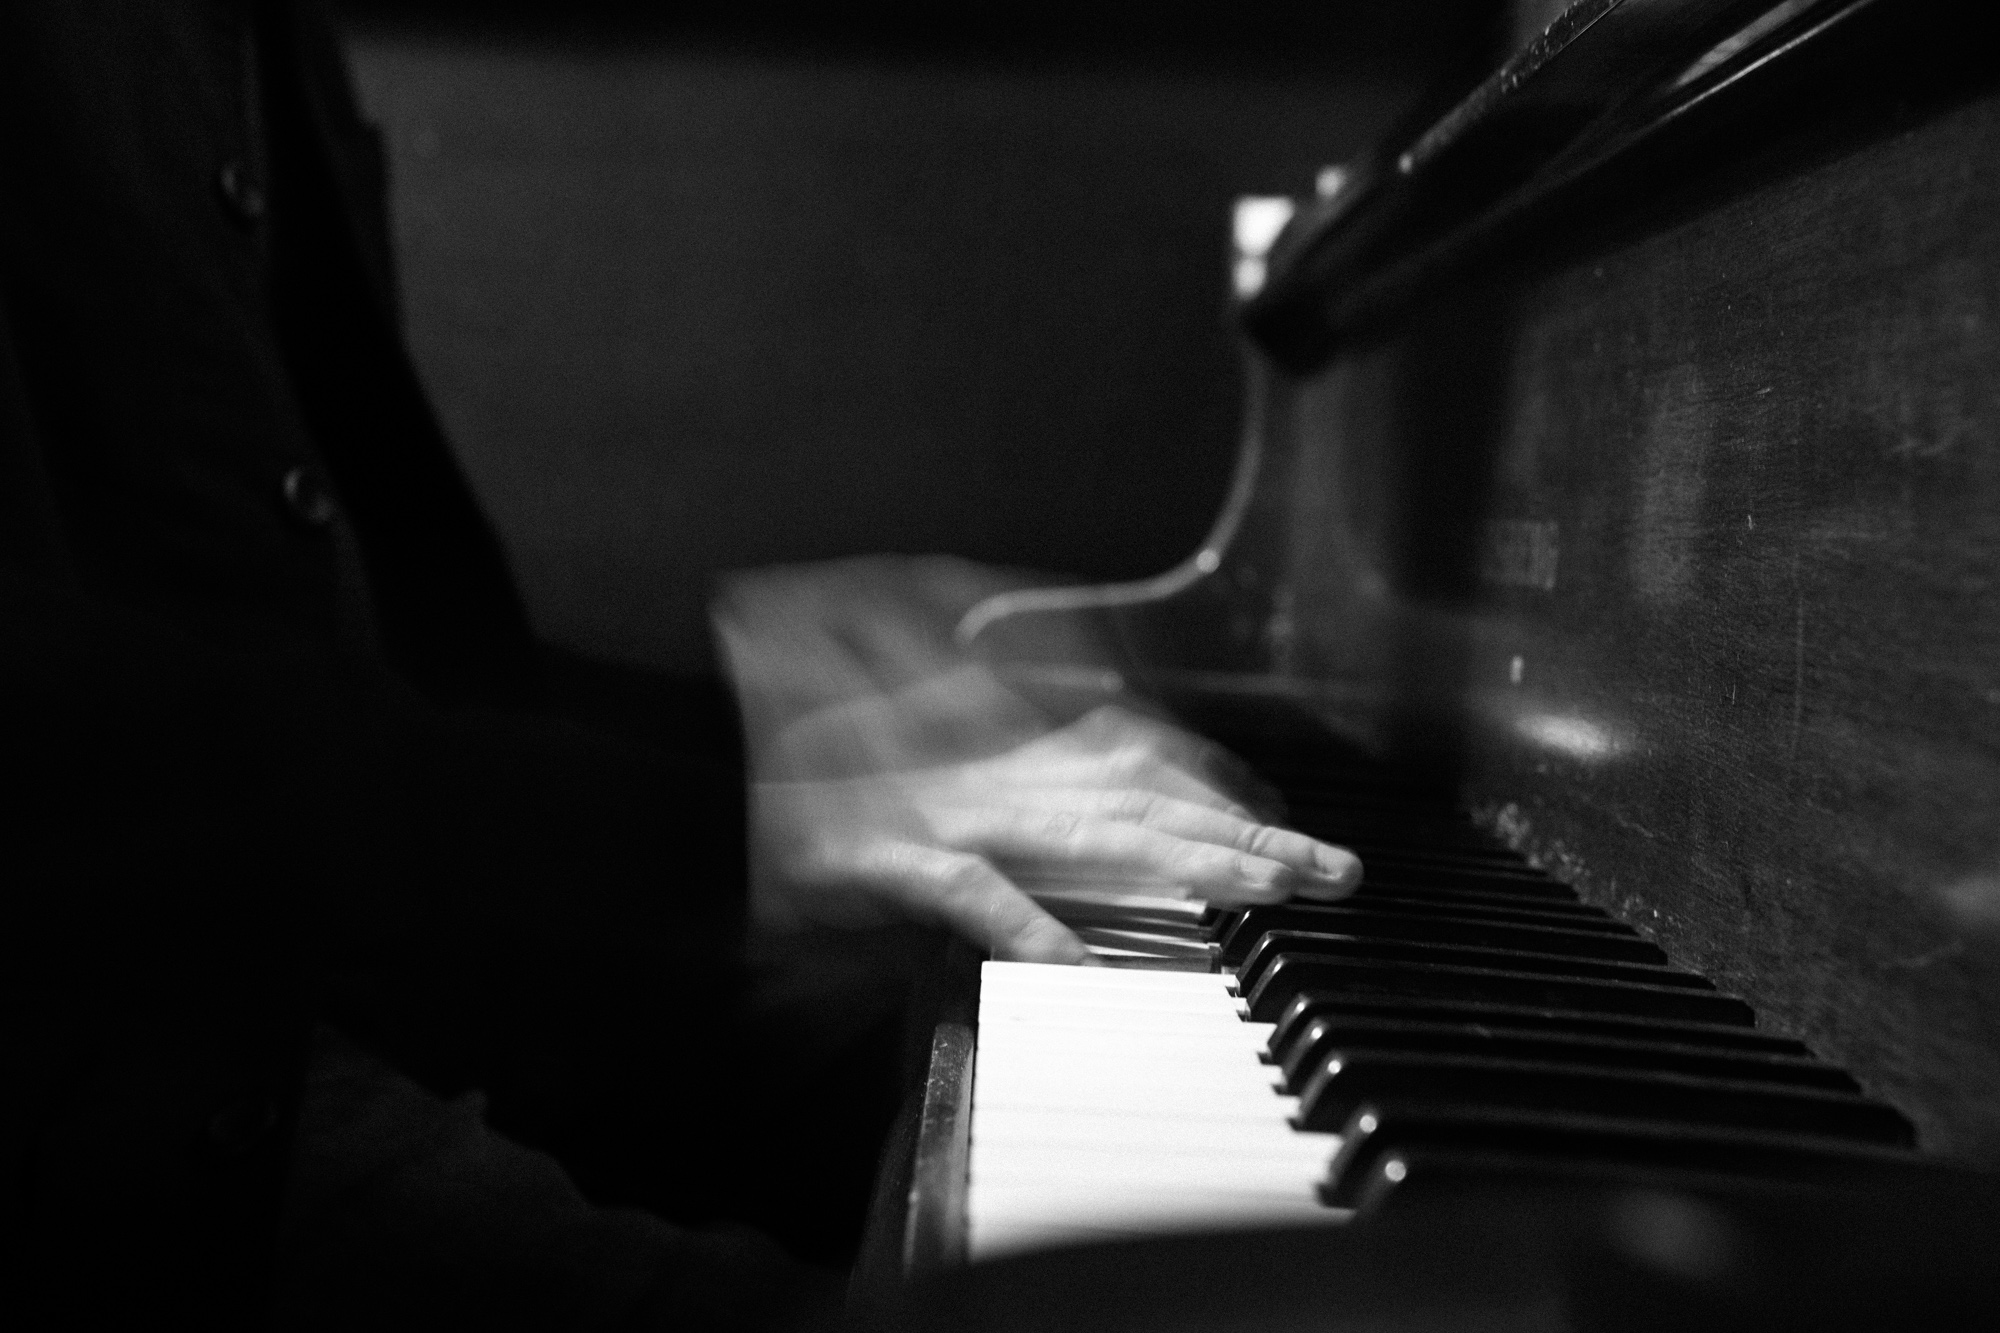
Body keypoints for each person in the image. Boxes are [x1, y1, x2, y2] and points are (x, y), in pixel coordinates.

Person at [1, 2, 1359, 1328]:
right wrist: (744, 813)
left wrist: (769, 730)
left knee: (993, 1059)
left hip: (353, 963)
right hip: (128, 1104)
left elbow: (402, 687)